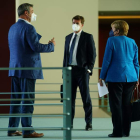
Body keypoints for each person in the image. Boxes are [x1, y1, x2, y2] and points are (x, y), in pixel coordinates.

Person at [8, 3, 55, 138]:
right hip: (28, 70)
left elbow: (21, 47)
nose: (34, 13)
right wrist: (51, 45)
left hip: (14, 69)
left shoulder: (12, 27)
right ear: (26, 13)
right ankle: (28, 131)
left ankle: (11, 129)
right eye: (32, 11)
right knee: (28, 100)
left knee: (16, 100)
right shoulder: (29, 28)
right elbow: (35, 47)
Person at [99, 20, 139, 137]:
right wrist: (137, 78)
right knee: (126, 105)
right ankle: (126, 132)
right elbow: (136, 63)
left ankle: (117, 132)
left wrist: (102, 77)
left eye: (112, 29)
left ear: (116, 30)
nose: (111, 31)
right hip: (131, 77)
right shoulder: (133, 42)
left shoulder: (111, 40)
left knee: (115, 105)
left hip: (115, 77)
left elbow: (106, 60)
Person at [63, 15, 96, 130]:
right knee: (69, 100)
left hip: (82, 71)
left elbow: (92, 55)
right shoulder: (68, 37)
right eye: (73, 22)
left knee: (85, 98)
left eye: (77, 23)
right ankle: (69, 124)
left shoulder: (87, 37)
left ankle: (89, 123)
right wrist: (64, 72)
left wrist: (89, 69)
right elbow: (65, 56)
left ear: (82, 24)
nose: (75, 24)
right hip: (70, 71)